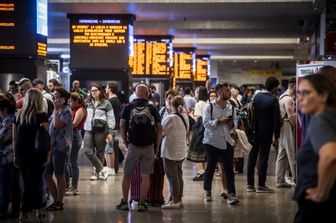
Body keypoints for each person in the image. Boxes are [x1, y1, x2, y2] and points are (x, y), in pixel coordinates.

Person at [293, 74, 336, 223]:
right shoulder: (331, 117)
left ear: (323, 95)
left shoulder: (321, 120)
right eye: (298, 93)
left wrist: (321, 192)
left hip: (316, 204)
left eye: (306, 93)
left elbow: (330, 156)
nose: (300, 98)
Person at [116, 83, 162, 212]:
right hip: (148, 147)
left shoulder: (128, 107)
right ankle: (142, 203)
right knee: (145, 176)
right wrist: (156, 146)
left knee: (127, 175)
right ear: (147, 94)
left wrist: (126, 142)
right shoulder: (152, 108)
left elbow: (122, 126)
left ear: (135, 93)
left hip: (133, 145)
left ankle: (125, 202)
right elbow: (159, 129)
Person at [13, 88, 50, 222]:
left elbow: (14, 138)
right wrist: (48, 154)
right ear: (39, 100)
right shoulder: (42, 115)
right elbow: (46, 137)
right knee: (34, 181)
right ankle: (34, 209)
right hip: (37, 153)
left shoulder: (18, 114)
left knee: (28, 181)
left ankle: (28, 211)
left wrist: (14, 155)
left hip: (21, 151)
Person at [202, 83, 239, 205]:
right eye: (227, 90)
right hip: (212, 141)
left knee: (229, 169)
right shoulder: (209, 107)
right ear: (219, 93)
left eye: (229, 90)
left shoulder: (231, 107)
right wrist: (218, 121)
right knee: (211, 168)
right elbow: (206, 123)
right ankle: (207, 191)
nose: (229, 92)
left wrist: (231, 124)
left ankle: (231, 194)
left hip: (227, 140)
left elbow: (235, 122)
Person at [246, 77, 280, 193]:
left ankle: (250, 185)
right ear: (274, 88)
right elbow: (277, 121)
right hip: (266, 133)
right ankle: (261, 185)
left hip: (254, 132)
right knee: (263, 158)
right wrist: (277, 138)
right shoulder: (273, 99)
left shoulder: (256, 96)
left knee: (252, 157)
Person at [44, 88, 72, 211]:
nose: (54, 99)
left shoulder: (66, 111)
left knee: (59, 174)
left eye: (57, 96)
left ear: (64, 99)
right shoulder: (57, 110)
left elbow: (57, 125)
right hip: (51, 146)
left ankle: (59, 201)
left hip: (61, 146)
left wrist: (55, 110)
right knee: (47, 174)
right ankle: (56, 200)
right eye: (54, 96)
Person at [161, 96, 189, 209]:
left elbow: (161, 132)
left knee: (172, 176)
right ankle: (179, 198)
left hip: (170, 151)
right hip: (181, 150)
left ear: (172, 105)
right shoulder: (185, 117)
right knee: (178, 175)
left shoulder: (170, 118)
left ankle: (175, 200)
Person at [83, 84, 115, 181]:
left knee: (100, 152)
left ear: (100, 91)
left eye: (95, 90)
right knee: (87, 150)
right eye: (92, 90)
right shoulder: (87, 102)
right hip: (89, 129)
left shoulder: (106, 103)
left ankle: (97, 173)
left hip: (101, 129)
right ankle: (102, 169)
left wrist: (110, 132)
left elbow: (111, 118)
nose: (93, 92)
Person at [0, 94, 21, 218]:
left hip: (8, 158)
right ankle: (15, 210)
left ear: (5, 110)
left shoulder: (9, 121)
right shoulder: (15, 118)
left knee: (5, 185)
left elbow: (2, 139)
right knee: (14, 186)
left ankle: (3, 210)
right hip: (14, 157)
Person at [275, 78, 296, 188]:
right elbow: (291, 115)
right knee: (292, 153)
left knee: (282, 153)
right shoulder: (288, 99)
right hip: (287, 125)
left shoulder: (282, 96)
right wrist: (299, 127)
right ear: (294, 86)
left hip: (282, 126)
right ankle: (297, 180)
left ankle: (279, 180)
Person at [65, 92, 87, 196]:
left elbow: (74, 124)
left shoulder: (80, 110)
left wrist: (62, 122)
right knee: (69, 161)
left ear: (76, 101)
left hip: (75, 136)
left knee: (73, 161)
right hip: (70, 135)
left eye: (71, 101)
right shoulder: (74, 109)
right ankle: (70, 185)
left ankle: (74, 187)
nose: (69, 103)